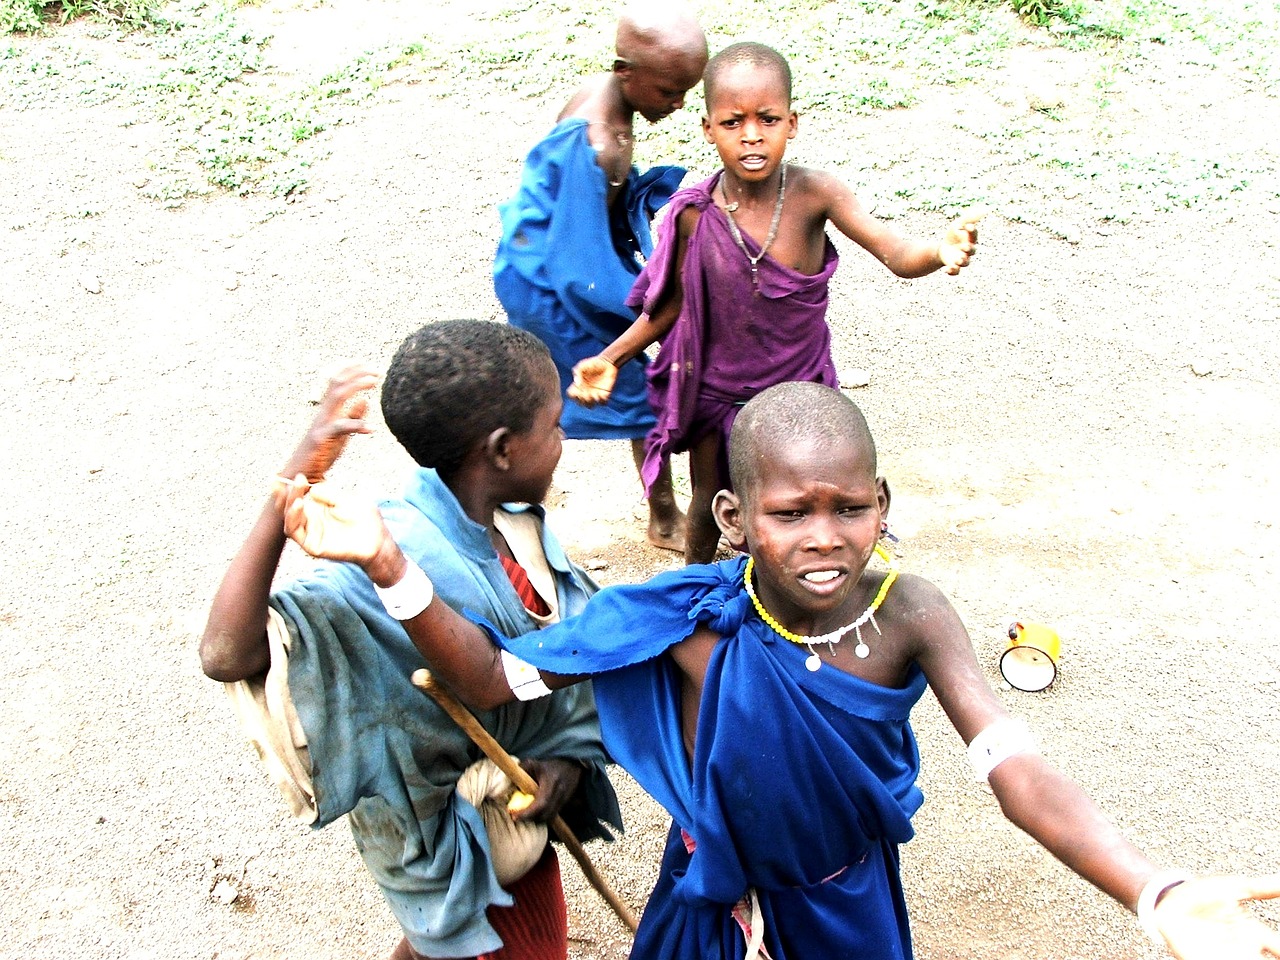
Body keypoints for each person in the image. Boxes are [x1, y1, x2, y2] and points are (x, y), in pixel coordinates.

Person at [275, 380, 1280, 960]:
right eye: (789, 512)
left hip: (845, 906)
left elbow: (1015, 772)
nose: (825, 537)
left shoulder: (909, 614)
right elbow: (496, 680)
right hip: (707, 903)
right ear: (733, 517)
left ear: (881, 502)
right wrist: (388, 565)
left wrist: (1151, 890)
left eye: (849, 507)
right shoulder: (677, 622)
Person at [199, 320, 623, 960]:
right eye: (556, 427)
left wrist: (567, 760)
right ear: (503, 449)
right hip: (456, 845)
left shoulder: (511, 525)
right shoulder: (393, 554)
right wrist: (290, 485)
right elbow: (226, 655)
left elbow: (557, 678)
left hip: (514, 827)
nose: (564, 441)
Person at [569, 41, 982, 565]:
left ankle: (811, 589)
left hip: (800, 391)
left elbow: (896, 253)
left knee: (806, 501)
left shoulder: (815, 195)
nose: (751, 136)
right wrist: (611, 358)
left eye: (767, 119)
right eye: (732, 122)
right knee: (709, 504)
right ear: (707, 128)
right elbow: (669, 306)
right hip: (720, 396)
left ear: (792, 122)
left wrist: (936, 250)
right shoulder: (694, 213)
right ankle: (695, 592)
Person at [493, 3, 708, 554]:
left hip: (555, 255)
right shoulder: (597, 142)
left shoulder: (609, 100)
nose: (679, 104)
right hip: (551, 281)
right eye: (668, 92)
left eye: (687, 91)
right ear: (625, 72)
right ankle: (661, 517)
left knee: (579, 377)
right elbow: (575, 268)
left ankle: (501, 493)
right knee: (622, 382)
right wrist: (640, 317)